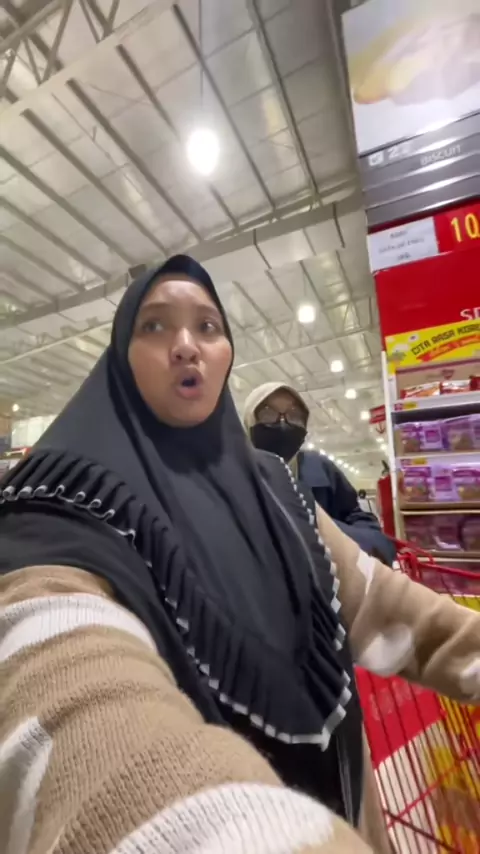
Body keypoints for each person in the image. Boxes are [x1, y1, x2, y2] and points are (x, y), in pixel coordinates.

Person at [1, 256, 479, 854]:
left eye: (208, 326)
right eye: (154, 325)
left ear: (227, 354)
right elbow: (71, 699)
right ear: (121, 353)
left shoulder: (275, 492)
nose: (186, 345)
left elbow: (397, 612)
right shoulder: (58, 509)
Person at [243, 382, 396, 564]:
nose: (283, 423)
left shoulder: (321, 468)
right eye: (268, 413)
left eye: (294, 415)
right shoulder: (236, 478)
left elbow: (363, 524)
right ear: (249, 421)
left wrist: (325, 534)